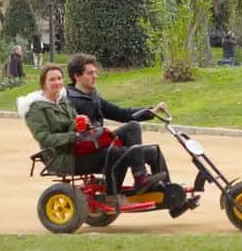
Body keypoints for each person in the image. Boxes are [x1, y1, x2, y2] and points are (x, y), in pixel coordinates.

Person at [17, 64, 159, 196]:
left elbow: (117, 113)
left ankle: (166, 192)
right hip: (62, 156)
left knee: (150, 148)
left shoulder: (63, 100)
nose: (57, 83)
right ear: (44, 84)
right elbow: (44, 138)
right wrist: (74, 135)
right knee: (117, 152)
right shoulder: (36, 109)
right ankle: (112, 193)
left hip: (79, 147)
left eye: (59, 79)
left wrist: (81, 123)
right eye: (52, 80)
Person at [64, 53, 168, 190]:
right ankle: (140, 177)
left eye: (95, 72)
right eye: (90, 73)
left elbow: (121, 113)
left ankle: (168, 193)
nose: (95, 76)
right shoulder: (69, 100)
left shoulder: (93, 97)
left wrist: (150, 111)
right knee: (132, 128)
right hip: (86, 152)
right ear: (77, 76)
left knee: (154, 151)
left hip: (99, 143)